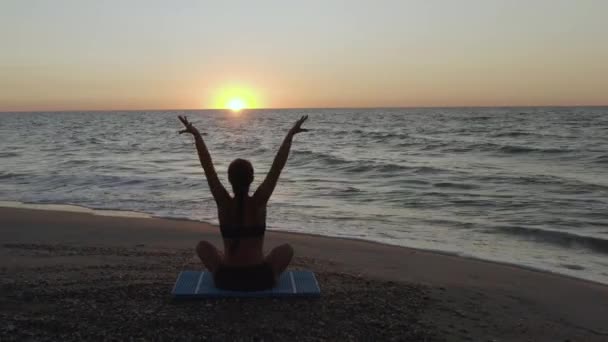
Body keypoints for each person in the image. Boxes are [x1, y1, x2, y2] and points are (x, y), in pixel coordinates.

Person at [178, 114, 309, 291]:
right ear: (252, 179)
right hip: (261, 279)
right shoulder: (259, 201)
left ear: (229, 179)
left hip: (226, 280)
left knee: (202, 246)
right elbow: (277, 167)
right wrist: (290, 134)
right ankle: (271, 275)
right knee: (287, 249)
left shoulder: (223, 203)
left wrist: (197, 135)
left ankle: (228, 261)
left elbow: (207, 167)